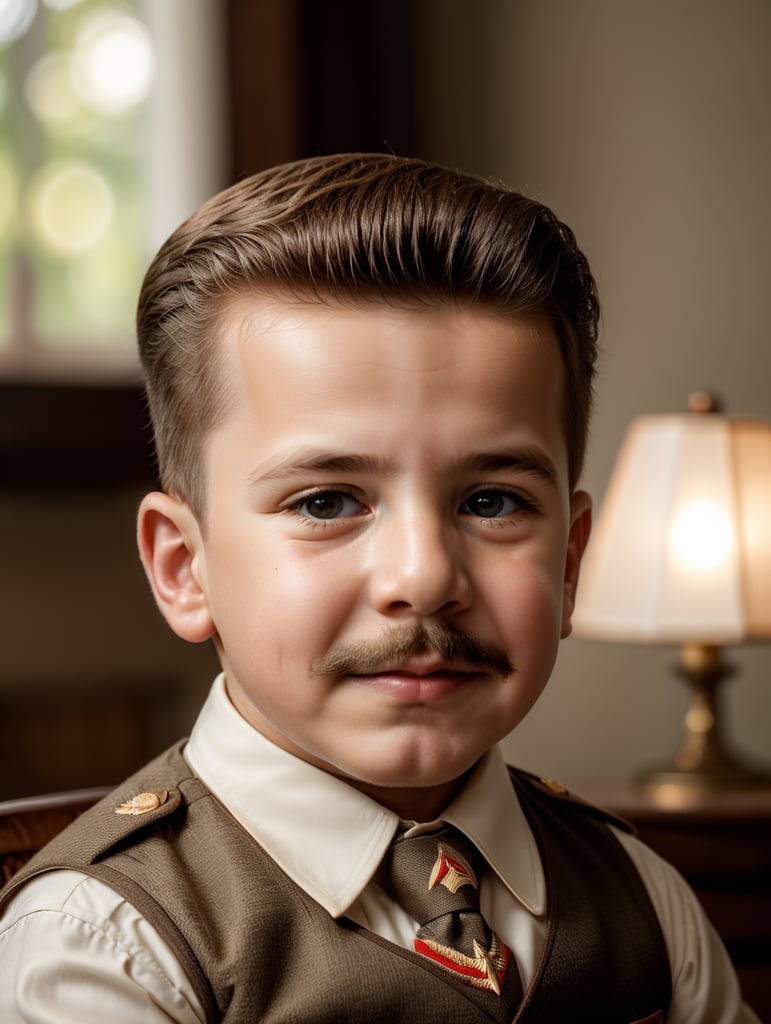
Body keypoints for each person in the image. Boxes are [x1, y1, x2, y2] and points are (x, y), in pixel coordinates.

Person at [0, 154, 759, 1023]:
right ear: (184, 568)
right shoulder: (107, 946)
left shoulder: (643, 900)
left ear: (570, 562)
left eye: (491, 501)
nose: (424, 577)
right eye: (326, 501)